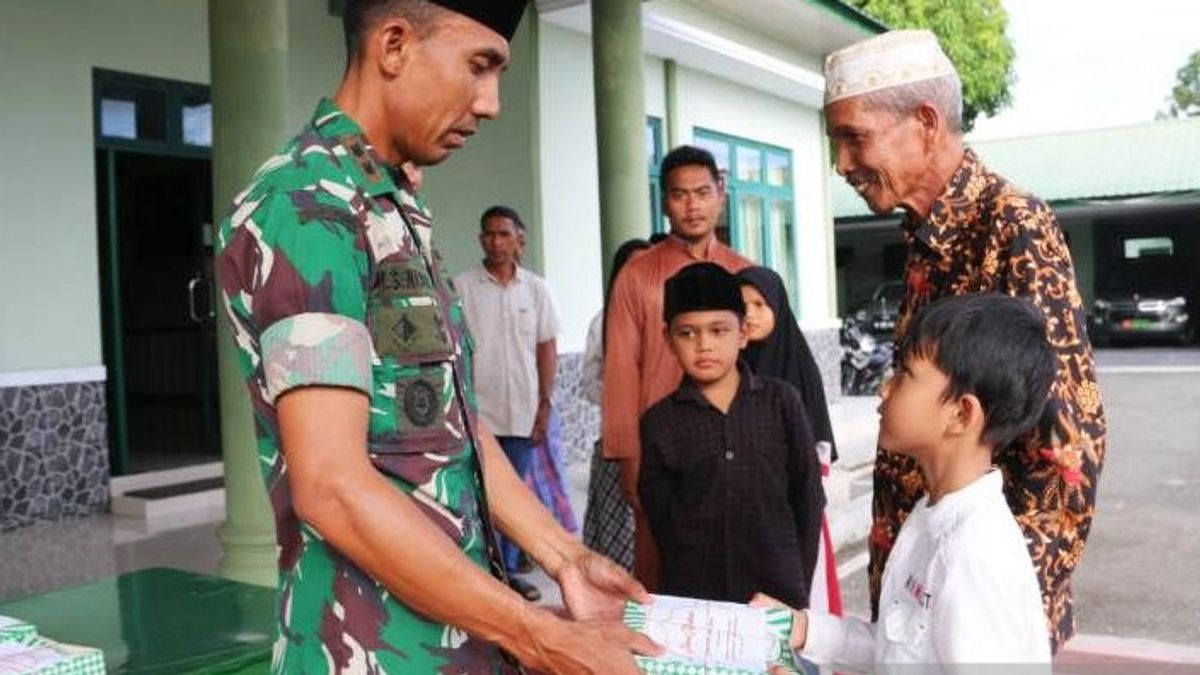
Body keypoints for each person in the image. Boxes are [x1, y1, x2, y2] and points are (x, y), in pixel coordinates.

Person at [215, 1, 659, 672]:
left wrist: (565, 557)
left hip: (457, 636)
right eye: (479, 66)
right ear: (394, 45)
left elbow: (454, 424)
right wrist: (539, 634)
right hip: (369, 651)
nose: (492, 104)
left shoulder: (390, 202)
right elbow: (331, 482)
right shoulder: (308, 206)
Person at [824, 29, 1107, 650]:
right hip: (918, 602)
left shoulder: (1013, 226)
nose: (841, 164)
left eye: (853, 137)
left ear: (925, 122)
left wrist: (987, 612)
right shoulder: (923, 234)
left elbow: (1068, 453)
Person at [757, 294, 1056, 669]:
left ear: (961, 414)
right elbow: (896, 651)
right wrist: (802, 628)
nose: (885, 387)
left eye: (904, 373)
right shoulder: (933, 514)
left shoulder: (975, 555)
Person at [603, 146, 752, 587]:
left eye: (702, 192)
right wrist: (629, 458)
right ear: (664, 201)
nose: (692, 205)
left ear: (720, 194)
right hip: (661, 449)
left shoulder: (744, 273)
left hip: (735, 443)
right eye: (680, 194)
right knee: (663, 576)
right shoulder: (637, 275)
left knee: (739, 570)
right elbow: (620, 371)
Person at [638, 263, 825, 609]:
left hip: (777, 597)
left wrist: (797, 588)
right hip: (695, 601)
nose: (704, 345)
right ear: (668, 339)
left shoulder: (782, 402)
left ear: (742, 334)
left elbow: (809, 499)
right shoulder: (659, 423)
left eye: (719, 330)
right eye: (687, 333)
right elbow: (661, 520)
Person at [455, 205, 561, 602]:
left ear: (520, 240)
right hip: (476, 414)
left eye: (503, 234)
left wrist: (545, 405)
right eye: (488, 234)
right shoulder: (463, 287)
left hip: (520, 412)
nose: (495, 242)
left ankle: (508, 575)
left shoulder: (536, 289)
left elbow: (546, 348)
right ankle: (481, 577)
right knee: (475, 496)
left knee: (511, 499)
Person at [737, 266, 842, 616]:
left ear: (778, 309)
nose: (749, 315)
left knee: (800, 604)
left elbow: (817, 448)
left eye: (759, 305)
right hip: (741, 508)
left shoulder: (798, 366)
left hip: (795, 508)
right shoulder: (728, 367)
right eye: (741, 306)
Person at [581, 239, 652, 571]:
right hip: (617, 445)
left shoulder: (669, 316)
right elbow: (589, 381)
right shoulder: (603, 320)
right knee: (617, 539)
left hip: (660, 442)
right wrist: (622, 400)